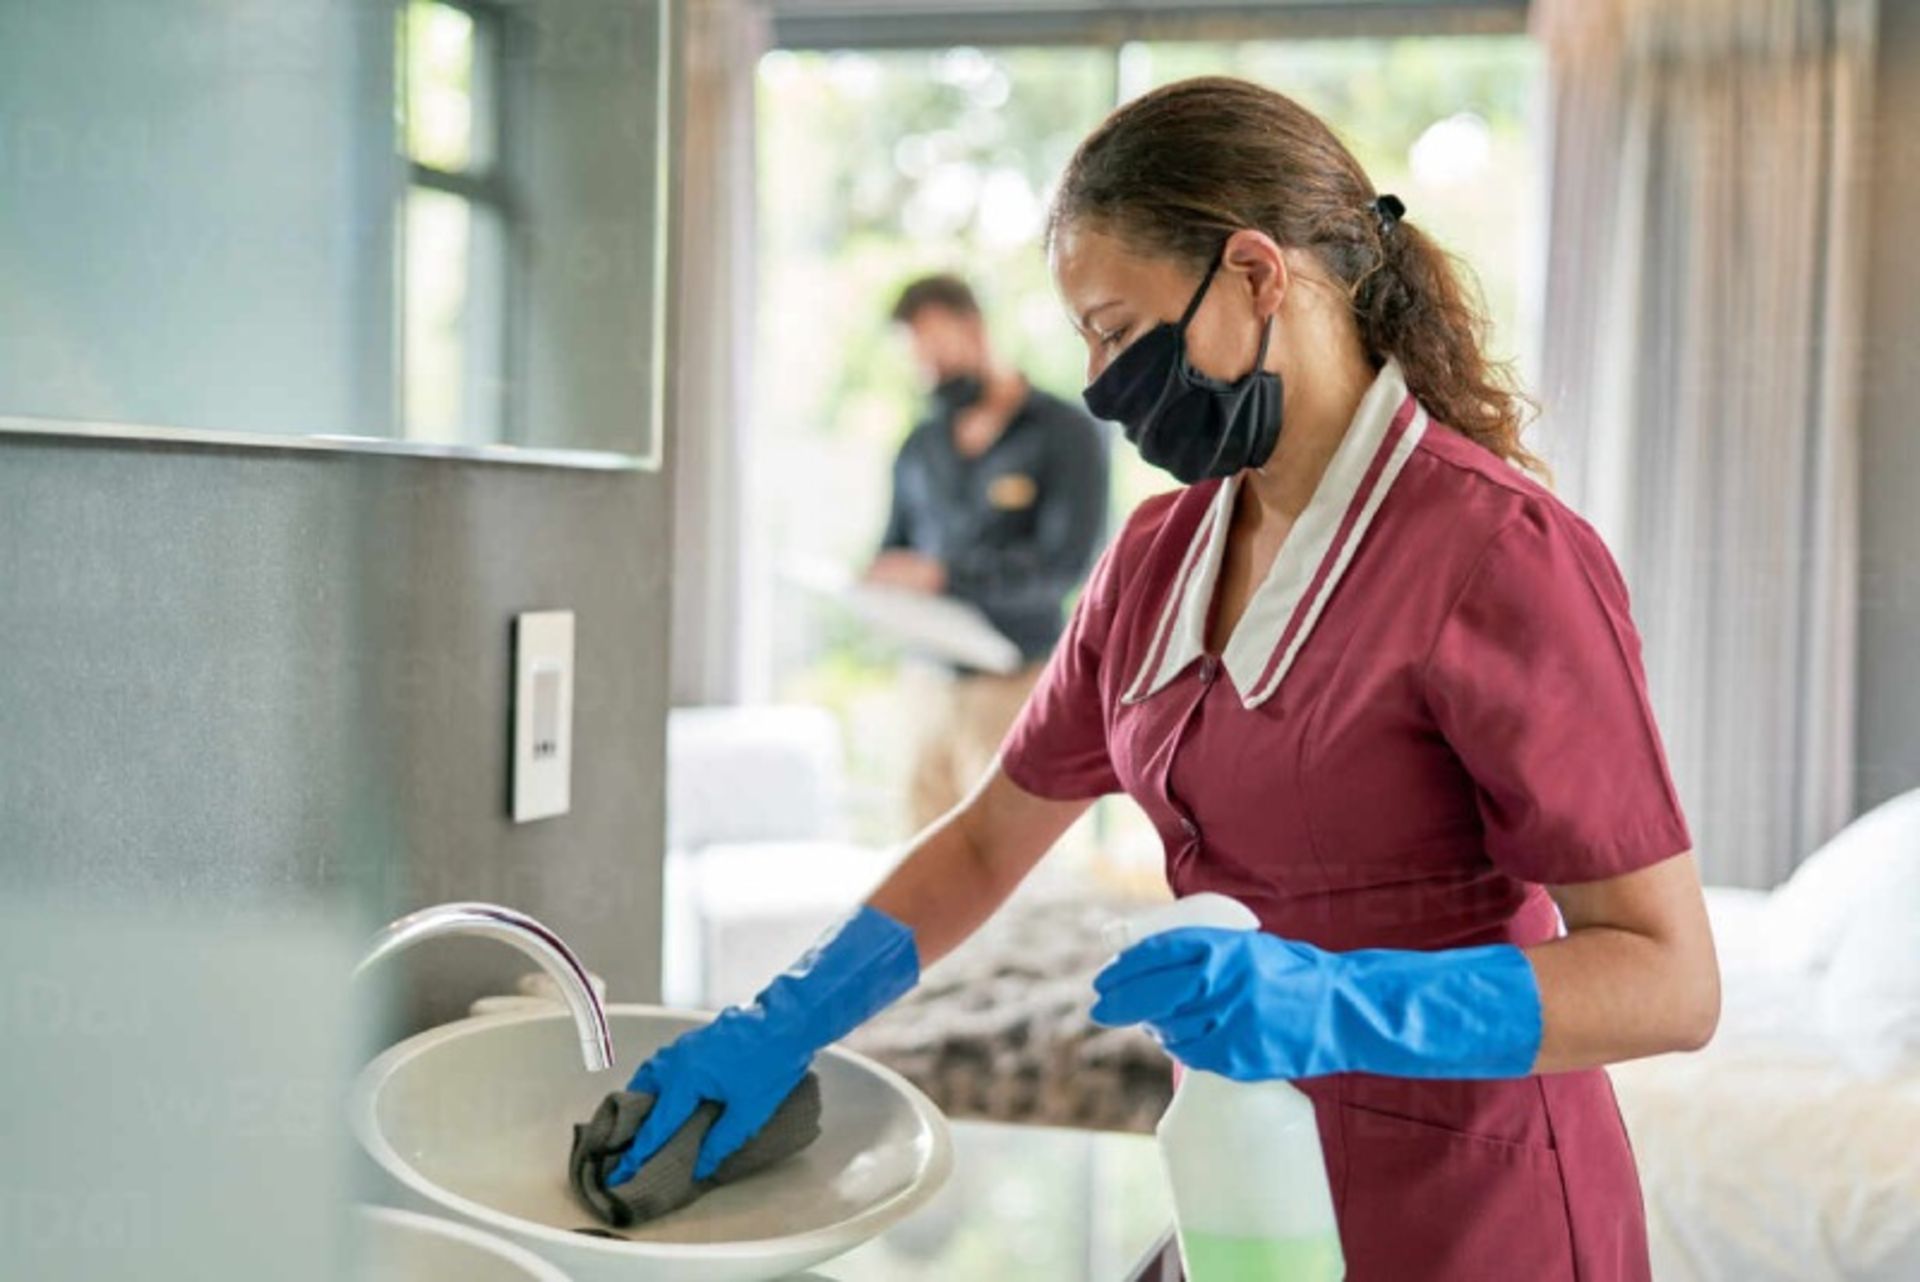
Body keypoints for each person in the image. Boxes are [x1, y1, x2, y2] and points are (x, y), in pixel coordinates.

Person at [611, 78, 1718, 1282]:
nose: (1095, 382)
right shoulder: (1156, 560)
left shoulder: (1500, 554)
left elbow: (1668, 978)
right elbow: (991, 840)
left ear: (1254, 275)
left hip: (1472, 1215)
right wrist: (789, 1017)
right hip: (1245, 1191)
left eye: (1115, 328)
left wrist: (1339, 1001)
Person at [865, 273, 1109, 834]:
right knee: (917, 858)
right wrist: (884, 578)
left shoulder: (1063, 433)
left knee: (1009, 862)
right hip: (927, 683)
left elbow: (1063, 568)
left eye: (937, 351)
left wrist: (941, 577)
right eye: (917, 358)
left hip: (1016, 683)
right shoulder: (920, 447)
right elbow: (894, 549)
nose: (928, 370)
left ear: (974, 331)